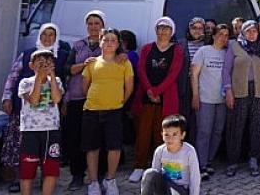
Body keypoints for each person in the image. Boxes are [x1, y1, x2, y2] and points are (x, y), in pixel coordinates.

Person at [1, 23, 70, 194]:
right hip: (28, 120)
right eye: (44, 34)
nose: (47, 38)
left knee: (50, 163)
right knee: (24, 155)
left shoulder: (62, 55)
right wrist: (7, 96)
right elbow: (13, 76)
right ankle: (18, 180)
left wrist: (51, 77)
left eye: (51, 35)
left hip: (50, 125)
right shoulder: (27, 56)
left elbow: (60, 92)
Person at [130, 17, 185, 183]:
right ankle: (139, 166)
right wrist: (149, 90)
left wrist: (157, 91)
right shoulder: (147, 48)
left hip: (166, 97)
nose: (163, 31)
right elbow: (141, 69)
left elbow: (174, 73)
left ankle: (162, 168)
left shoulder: (177, 50)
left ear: (172, 32)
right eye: (160, 28)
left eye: (167, 28)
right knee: (143, 133)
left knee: (164, 134)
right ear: (156, 30)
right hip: (146, 97)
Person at [82, 28, 135, 195]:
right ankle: (93, 182)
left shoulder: (124, 62)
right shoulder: (91, 62)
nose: (109, 43)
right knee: (92, 148)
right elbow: (85, 86)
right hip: (91, 110)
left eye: (113, 40)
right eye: (106, 39)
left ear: (118, 43)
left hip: (114, 111)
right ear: (100, 41)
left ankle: (110, 180)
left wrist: (119, 102)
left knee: (114, 147)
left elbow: (129, 87)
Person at [224, 20, 260, 177]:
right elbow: (226, 70)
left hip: (259, 91)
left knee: (257, 126)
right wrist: (228, 91)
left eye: (254, 31)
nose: (252, 33)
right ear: (243, 32)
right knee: (237, 126)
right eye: (249, 31)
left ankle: (253, 160)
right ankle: (233, 161)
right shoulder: (234, 46)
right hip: (239, 91)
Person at [64, 11, 105, 190]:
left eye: (97, 23)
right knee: (76, 137)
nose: (94, 27)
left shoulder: (109, 43)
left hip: (100, 99)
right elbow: (67, 69)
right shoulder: (78, 45)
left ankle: (99, 175)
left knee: (99, 137)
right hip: (78, 97)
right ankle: (77, 175)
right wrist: (85, 65)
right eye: (90, 23)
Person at [17, 49, 64, 195]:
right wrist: (39, 78)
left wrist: (51, 76)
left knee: (51, 168)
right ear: (32, 65)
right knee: (27, 169)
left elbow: (57, 99)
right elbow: (33, 100)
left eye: (48, 64)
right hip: (30, 131)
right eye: (41, 64)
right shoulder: (25, 82)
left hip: (51, 130)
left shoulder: (56, 81)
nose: (45, 66)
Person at [190, 23, 232, 179]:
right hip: (205, 99)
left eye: (227, 35)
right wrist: (195, 95)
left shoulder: (228, 53)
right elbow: (194, 75)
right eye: (220, 34)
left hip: (221, 100)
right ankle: (200, 165)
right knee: (204, 132)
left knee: (217, 132)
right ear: (213, 35)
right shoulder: (203, 51)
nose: (223, 38)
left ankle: (208, 161)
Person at [141, 114, 201, 195]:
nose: (170, 139)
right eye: (167, 135)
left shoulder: (189, 151)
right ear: (162, 134)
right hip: (164, 187)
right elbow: (155, 174)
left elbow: (195, 177)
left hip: (181, 190)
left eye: (174, 134)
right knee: (149, 173)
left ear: (182, 135)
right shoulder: (160, 151)